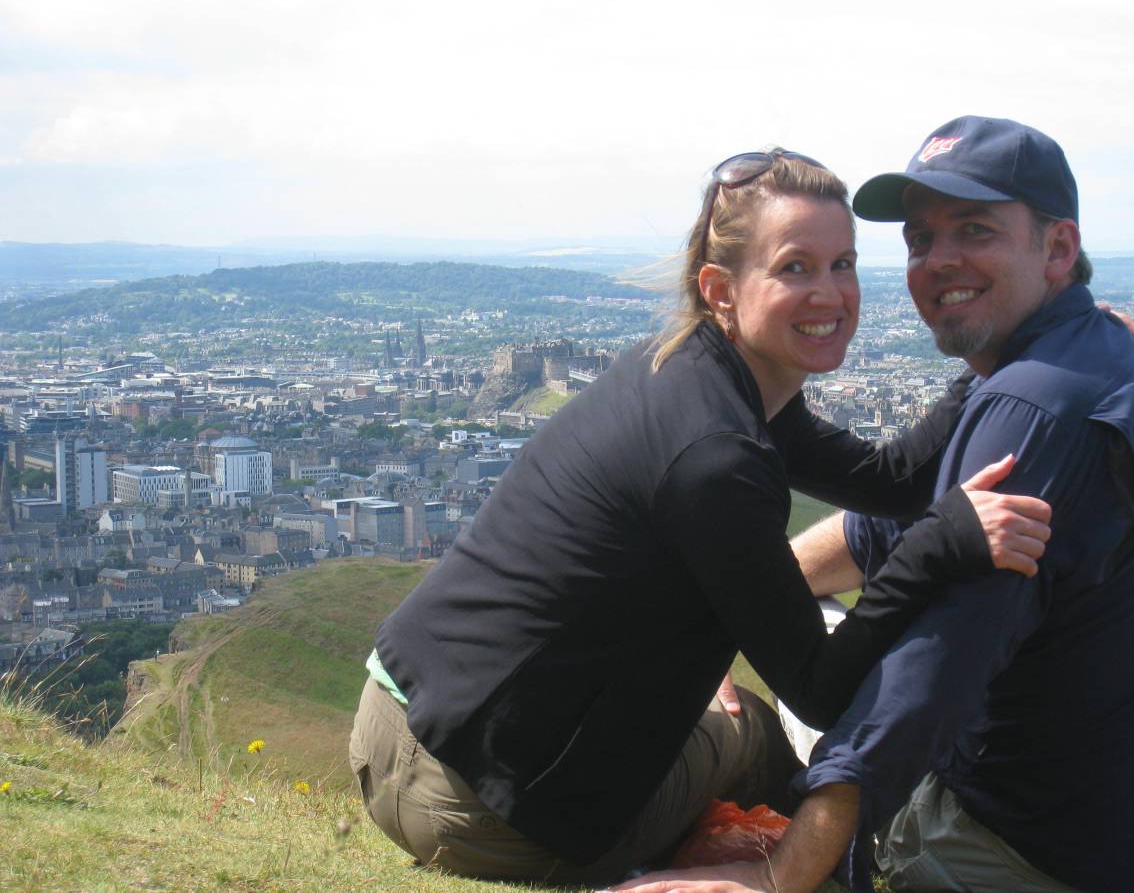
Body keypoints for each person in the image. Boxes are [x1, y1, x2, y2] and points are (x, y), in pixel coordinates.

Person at [348, 148, 1053, 886]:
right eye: (795, 268)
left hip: (395, 727)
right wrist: (938, 545)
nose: (831, 293)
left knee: (720, 725)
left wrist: (996, 356)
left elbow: (889, 480)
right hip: (483, 807)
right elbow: (820, 688)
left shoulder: (690, 368)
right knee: (751, 740)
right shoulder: (715, 455)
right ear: (720, 289)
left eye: (842, 264)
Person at [615, 117, 1134, 893]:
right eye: (921, 239)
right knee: (815, 623)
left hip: (1015, 845)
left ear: (1058, 249)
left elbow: (930, 674)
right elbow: (893, 520)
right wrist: (740, 614)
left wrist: (782, 875)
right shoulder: (1104, 366)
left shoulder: (1034, 406)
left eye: (975, 229)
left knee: (819, 691)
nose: (939, 260)